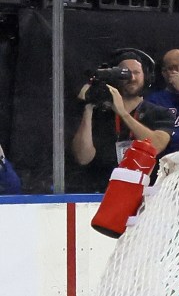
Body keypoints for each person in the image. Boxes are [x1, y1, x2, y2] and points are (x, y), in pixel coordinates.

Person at [71, 48, 173, 193]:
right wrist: (88, 107)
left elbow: (156, 146)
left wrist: (123, 113)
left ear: (147, 76)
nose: (131, 77)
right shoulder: (100, 114)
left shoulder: (160, 114)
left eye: (136, 72)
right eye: (124, 73)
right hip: (101, 195)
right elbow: (83, 158)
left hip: (147, 198)